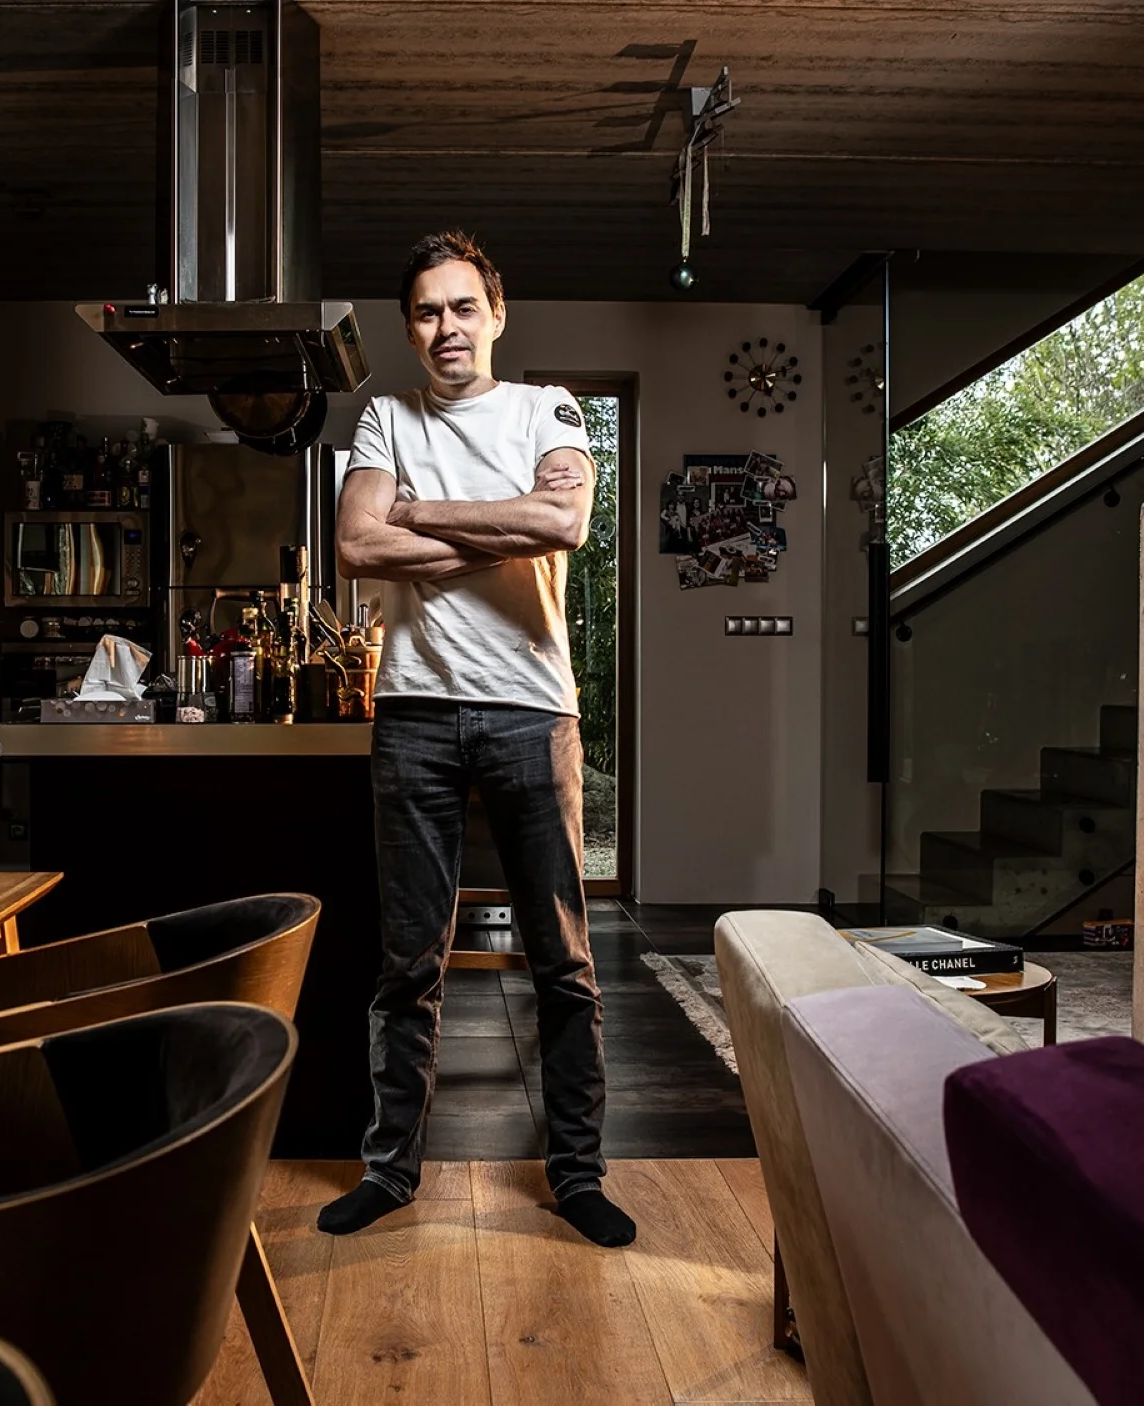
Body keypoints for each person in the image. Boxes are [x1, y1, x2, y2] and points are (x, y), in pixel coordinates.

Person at [317, 231, 634, 1248]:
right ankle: (389, 1169)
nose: (446, 327)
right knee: (408, 962)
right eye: (426, 311)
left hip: (531, 710)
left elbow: (563, 523)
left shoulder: (547, 408)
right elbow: (356, 541)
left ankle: (576, 1175)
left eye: (462, 307)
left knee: (562, 960)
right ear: (409, 328)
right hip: (413, 710)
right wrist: (498, 526)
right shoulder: (385, 415)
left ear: (496, 314)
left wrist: (424, 514)